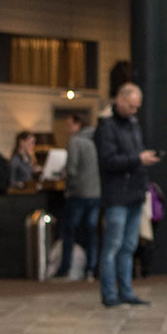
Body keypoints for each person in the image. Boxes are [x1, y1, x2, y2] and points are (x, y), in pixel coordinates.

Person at [94, 83, 159, 306]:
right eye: (130, 106)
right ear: (120, 100)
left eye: (136, 107)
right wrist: (137, 159)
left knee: (129, 246)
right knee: (112, 245)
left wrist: (143, 160)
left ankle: (126, 291)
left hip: (134, 194)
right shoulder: (106, 126)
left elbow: (134, 153)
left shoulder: (133, 124)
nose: (133, 111)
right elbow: (108, 161)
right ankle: (109, 294)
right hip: (116, 197)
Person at [55, 114, 101, 280]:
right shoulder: (97, 140)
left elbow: (72, 170)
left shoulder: (75, 142)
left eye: (69, 125)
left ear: (78, 124)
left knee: (69, 231)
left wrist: (69, 187)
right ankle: (91, 269)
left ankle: (66, 268)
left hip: (78, 194)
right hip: (95, 193)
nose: (68, 129)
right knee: (91, 232)